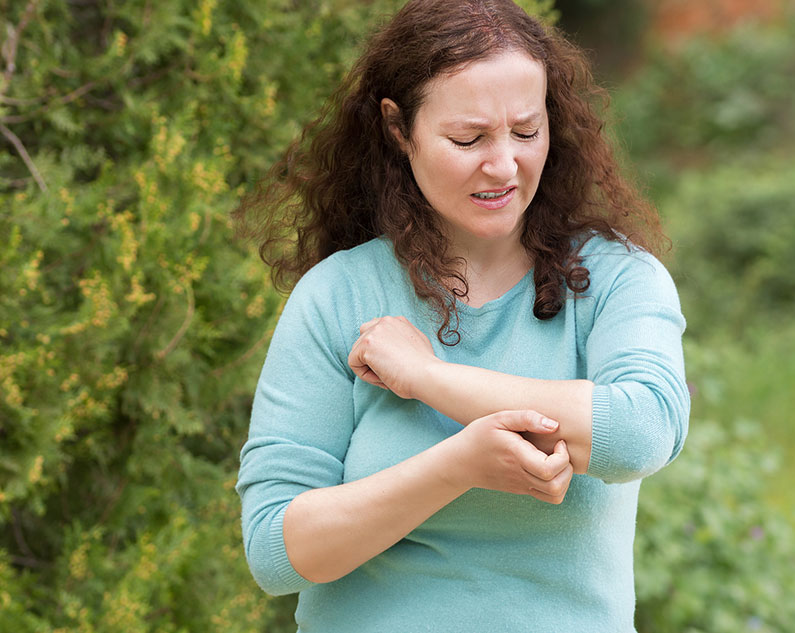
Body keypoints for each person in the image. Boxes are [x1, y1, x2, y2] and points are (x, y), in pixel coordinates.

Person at [233, 0, 689, 631]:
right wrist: (458, 466)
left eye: (526, 132)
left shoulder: (617, 280)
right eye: (468, 139)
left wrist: (429, 379)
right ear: (399, 129)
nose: (503, 166)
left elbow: (643, 432)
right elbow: (276, 552)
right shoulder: (337, 294)